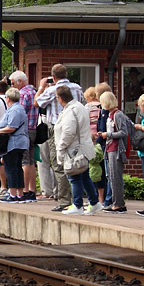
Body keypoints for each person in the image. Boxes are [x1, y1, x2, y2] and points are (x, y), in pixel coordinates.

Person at [34, 64, 84, 212]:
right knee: (76, 163)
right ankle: (79, 199)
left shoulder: (51, 90)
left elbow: (37, 102)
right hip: (76, 129)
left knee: (58, 164)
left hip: (57, 128)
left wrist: (41, 87)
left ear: (53, 77)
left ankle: (64, 200)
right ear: (66, 73)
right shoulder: (77, 88)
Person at [54, 85, 102, 215]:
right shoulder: (79, 106)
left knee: (73, 176)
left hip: (74, 149)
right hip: (83, 147)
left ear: (60, 98)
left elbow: (68, 132)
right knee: (85, 176)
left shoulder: (71, 110)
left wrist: (61, 147)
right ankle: (94, 202)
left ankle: (77, 205)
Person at [0, 87, 29, 203]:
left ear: (8, 98)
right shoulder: (19, 108)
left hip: (14, 143)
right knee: (17, 167)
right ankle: (19, 193)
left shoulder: (14, 110)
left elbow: (12, 127)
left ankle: (13, 194)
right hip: (20, 142)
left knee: (11, 168)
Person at [98, 91, 130, 213]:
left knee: (115, 177)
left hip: (116, 149)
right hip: (110, 148)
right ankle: (116, 202)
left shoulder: (118, 115)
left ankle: (119, 204)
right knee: (111, 177)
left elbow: (123, 132)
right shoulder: (111, 115)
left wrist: (108, 134)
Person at [9, 71, 38, 202]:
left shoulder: (22, 94)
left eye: (13, 83)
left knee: (25, 161)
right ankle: (32, 190)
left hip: (24, 132)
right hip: (33, 129)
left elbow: (19, 114)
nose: (12, 86)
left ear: (20, 81)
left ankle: (25, 190)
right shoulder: (33, 91)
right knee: (31, 161)